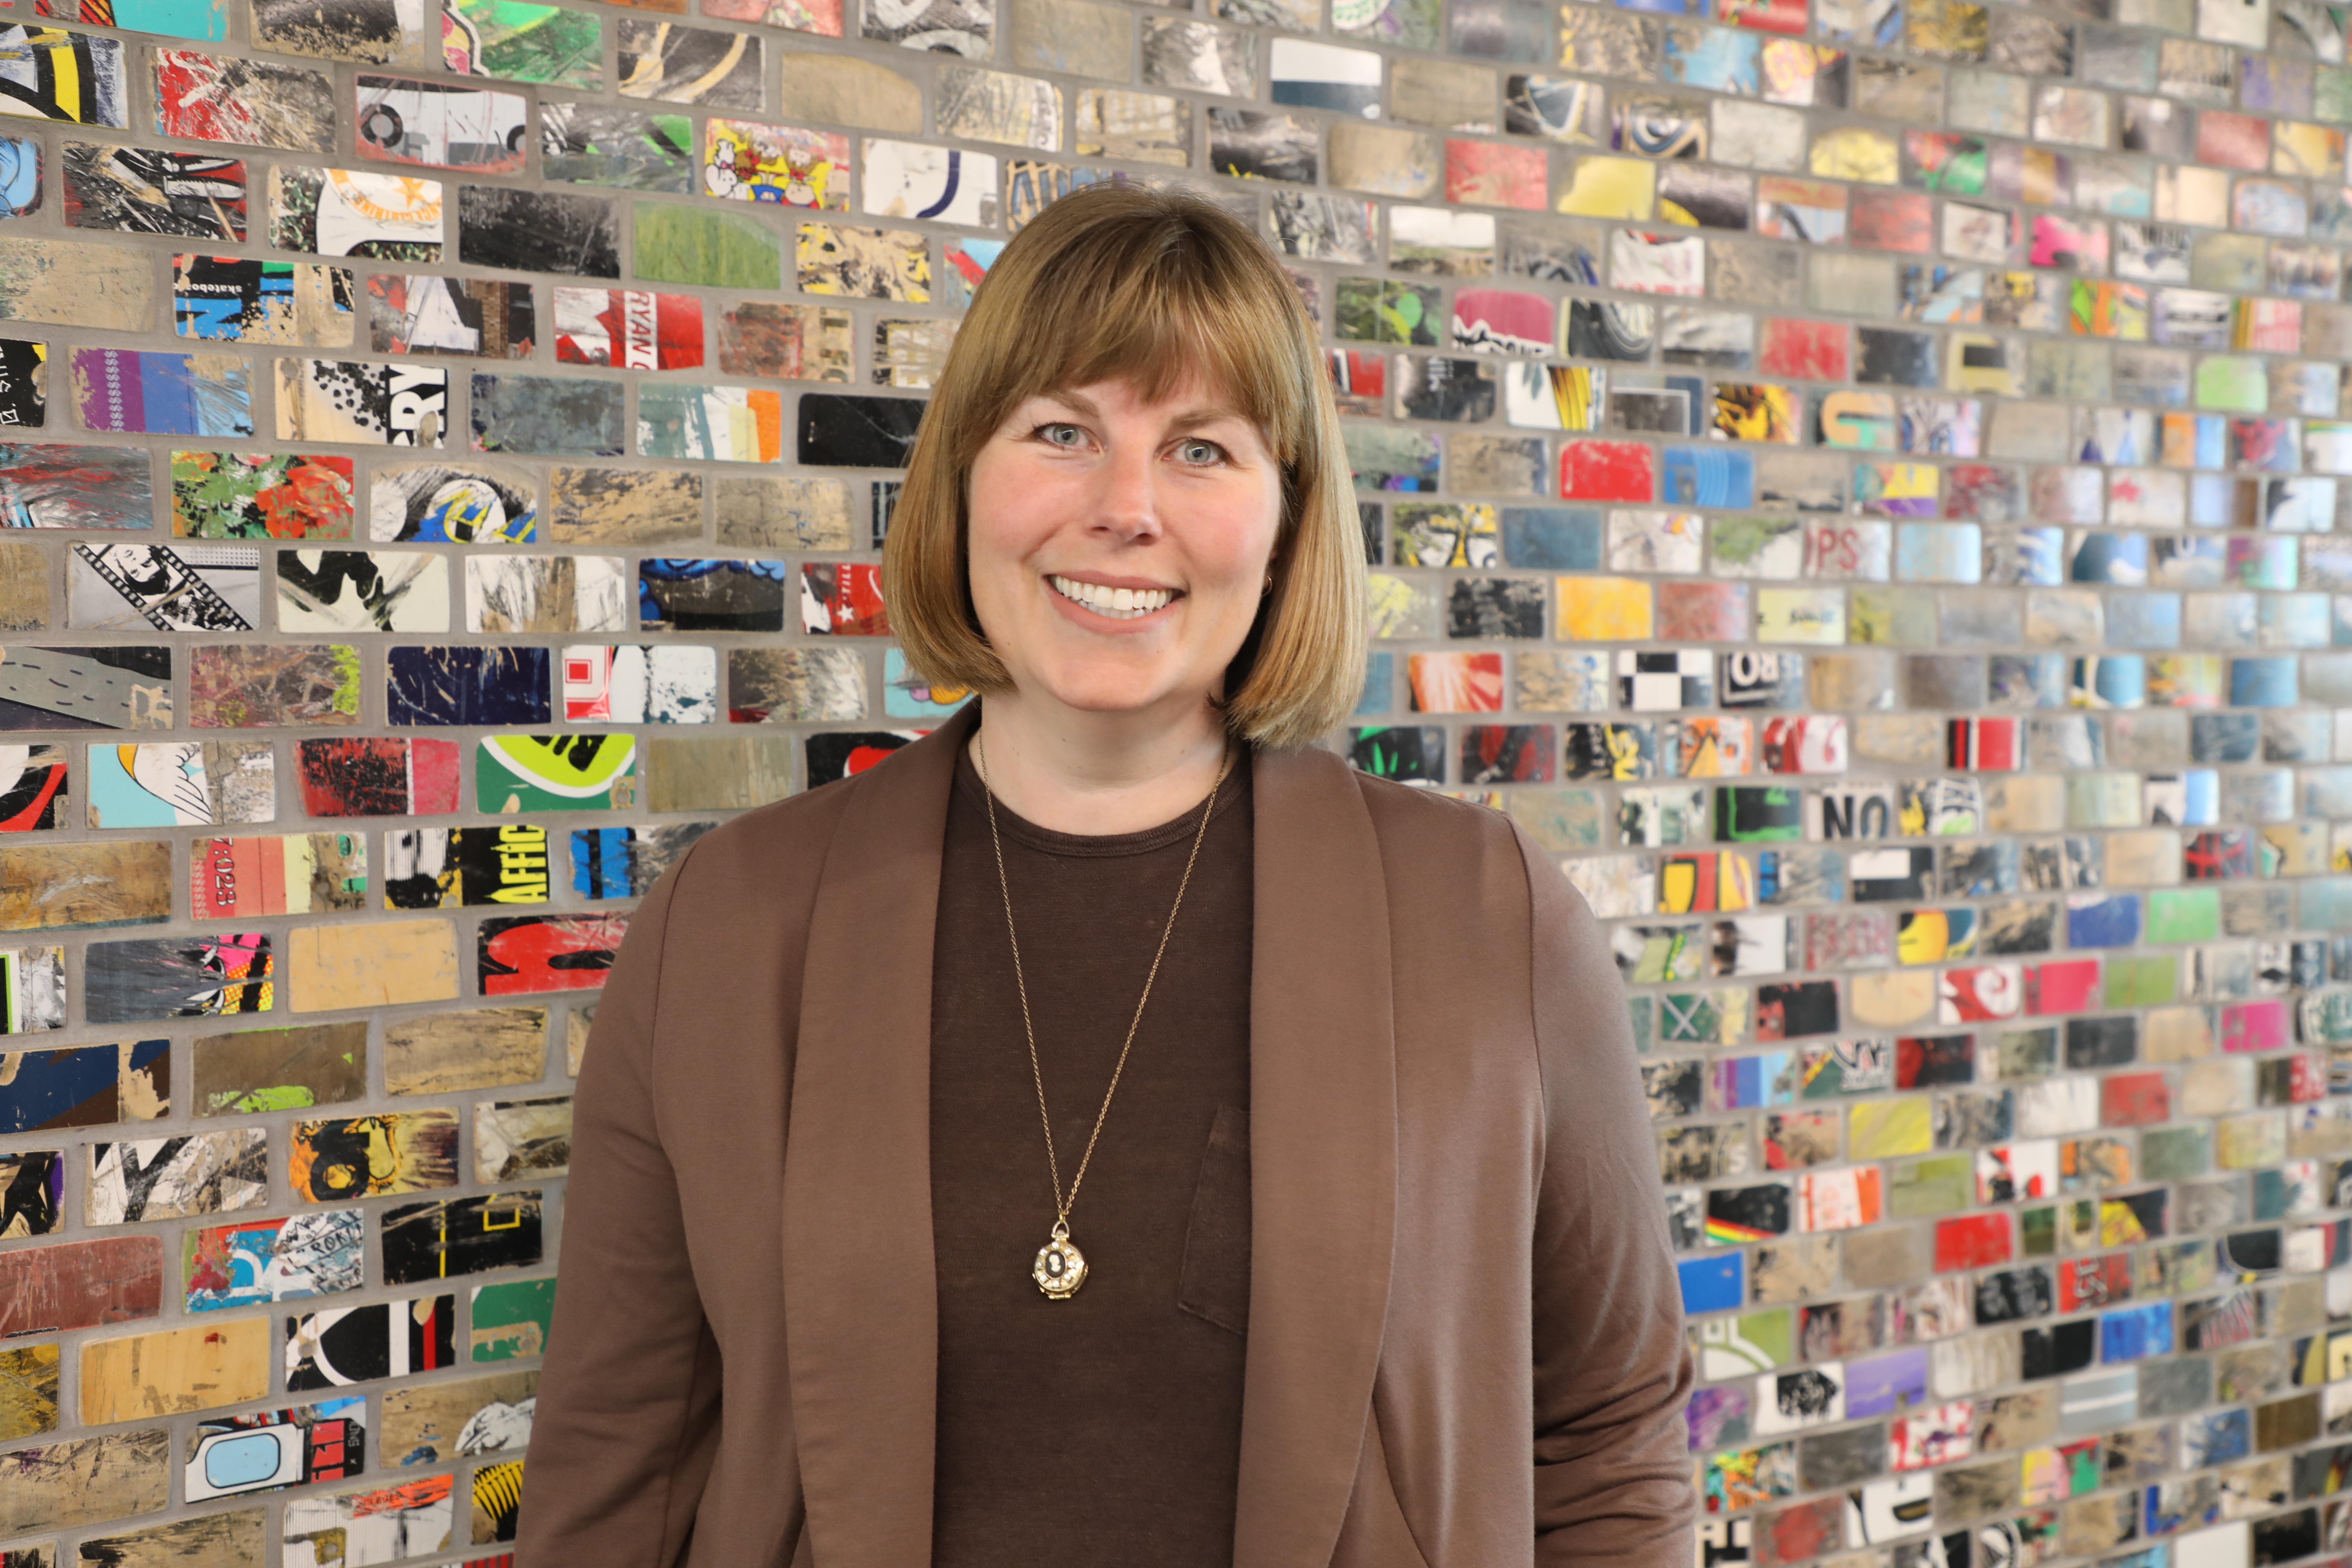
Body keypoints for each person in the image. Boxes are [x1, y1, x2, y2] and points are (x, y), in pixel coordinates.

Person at [518, 183, 1695, 1568]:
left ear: (1284, 520)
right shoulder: (731, 924)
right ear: (963, 472)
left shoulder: (1483, 915)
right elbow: (622, 1459)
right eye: (1063, 431)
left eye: (1202, 449)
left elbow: (1609, 1432)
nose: (1125, 509)